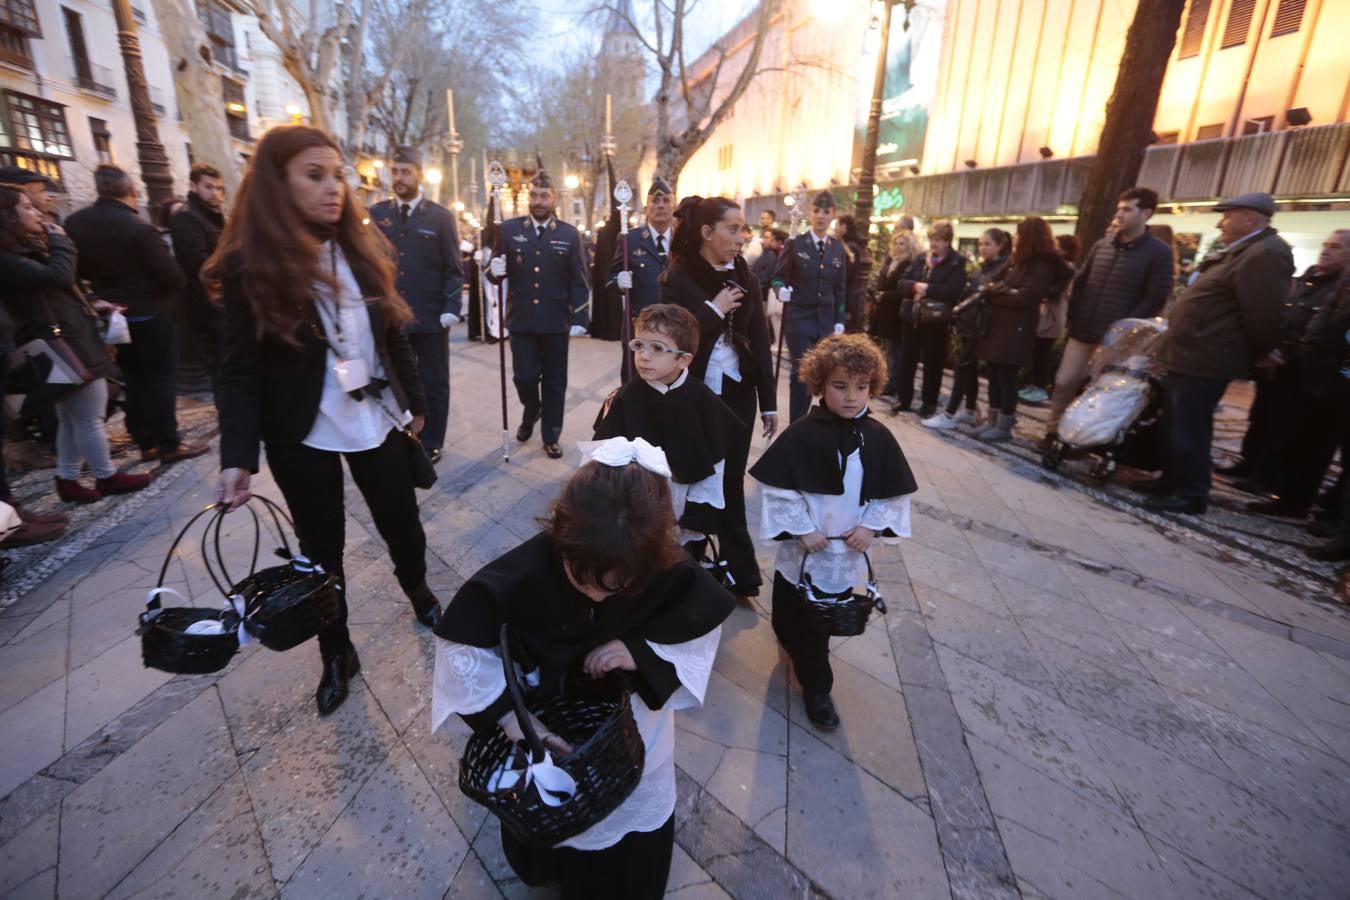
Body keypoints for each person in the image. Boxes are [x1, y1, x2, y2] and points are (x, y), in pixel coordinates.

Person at [208, 126, 440, 716]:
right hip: (300, 430)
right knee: (321, 553)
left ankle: (420, 593)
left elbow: (394, 332)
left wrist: (416, 401)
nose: (334, 188)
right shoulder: (249, 266)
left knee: (402, 525)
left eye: (338, 175)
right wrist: (237, 456)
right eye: (315, 176)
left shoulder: (361, 248)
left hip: (375, 418)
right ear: (276, 186)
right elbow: (237, 367)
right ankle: (337, 651)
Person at [430, 450, 734, 899]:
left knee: (631, 843)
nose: (594, 594)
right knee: (563, 831)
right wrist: (518, 723)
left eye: (614, 587)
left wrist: (639, 652)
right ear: (562, 536)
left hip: (632, 730)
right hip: (549, 727)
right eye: (582, 577)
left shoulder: (664, 569)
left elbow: (695, 631)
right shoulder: (529, 571)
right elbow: (464, 649)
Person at [749, 334, 916, 730]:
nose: (852, 397)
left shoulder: (877, 437)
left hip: (844, 550)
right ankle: (790, 640)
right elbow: (780, 486)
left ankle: (817, 687)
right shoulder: (803, 433)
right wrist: (804, 529)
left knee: (818, 626)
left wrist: (870, 527)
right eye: (841, 386)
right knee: (789, 610)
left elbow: (892, 491)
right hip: (805, 547)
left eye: (861, 388)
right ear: (820, 385)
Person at [1143, 192, 1294, 515]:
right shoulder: (1245, 250)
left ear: (1250, 218)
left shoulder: (1265, 253)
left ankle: (1191, 493)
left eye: (1228, 216)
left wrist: (1264, 350)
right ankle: (1171, 479)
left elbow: (1263, 312)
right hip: (1191, 352)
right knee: (1174, 422)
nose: (1220, 222)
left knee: (1191, 427)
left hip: (1208, 355)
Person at [0, 186, 151, 505]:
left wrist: (92, 303)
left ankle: (67, 478)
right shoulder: (8, 258)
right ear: (8, 217)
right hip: (62, 341)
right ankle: (106, 475)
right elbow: (58, 276)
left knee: (73, 417)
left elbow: (54, 290)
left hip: (67, 335)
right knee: (89, 415)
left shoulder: (23, 252)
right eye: (27, 207)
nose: (37, 212)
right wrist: (61, 241)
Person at [659, 195, 776, 600]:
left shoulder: (747, 275)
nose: (742, 237)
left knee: (730, 480)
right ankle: (686, 565)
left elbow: (760, 339)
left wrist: (770, 400)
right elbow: (670, 341)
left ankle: (739, 572)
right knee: (692, 479)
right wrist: (712, 309)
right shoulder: (677, 277)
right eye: (733, 228)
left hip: (738, 392)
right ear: (707, 233)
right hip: (692, 392)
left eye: (743, 229)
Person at [64, 165, 208, 465]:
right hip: (151, 313)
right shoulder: (138, 227)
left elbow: (73, 272)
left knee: (134, 378)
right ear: (132, 192)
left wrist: (97, 297)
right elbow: (173, 276)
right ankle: (168, 443)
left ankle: (145, 442)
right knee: (160, 378)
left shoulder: (76, 223)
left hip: (111, 315)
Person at [593, 304, 740, 547]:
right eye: (639, 345)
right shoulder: (623, 399)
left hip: (682, 509)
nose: (644, 355)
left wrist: (697, 514)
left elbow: (715, 463)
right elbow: (602, 460)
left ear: (683, 359)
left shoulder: (702, 400)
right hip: (631, 514)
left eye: (657, 348)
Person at [1040, 188, 1173, 450]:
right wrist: (1075, 316)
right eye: (1118, 209)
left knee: (1099, 391)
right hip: (1083, 329)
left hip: (1117, 341)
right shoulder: (1102, 246)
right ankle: (1054, 432)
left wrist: (1126, 334)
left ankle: (1086, 440)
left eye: (1127, 209)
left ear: (1146, 214)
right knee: (1064, 382)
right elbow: (1081, 282)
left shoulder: (1159, 253)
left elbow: (1155, 297)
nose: (1119, 214)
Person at [1220, 229, 1348, 493]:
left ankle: (1268, 477)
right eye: (1325, 244)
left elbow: (1323, 327)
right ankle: (1250, 463)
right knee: (1261, 416)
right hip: (1277, 360)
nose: (1326, 250)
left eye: (1335, 247)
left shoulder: (1337, 287)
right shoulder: (1308, 279)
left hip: (1302, 366)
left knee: (1284, 425)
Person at [368, 146, 465, 464]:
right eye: (394, 171)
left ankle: (432, 439)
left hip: (430, 316)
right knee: (394, 379)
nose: (399, 177)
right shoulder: (377, 215)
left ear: (418, 175)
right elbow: (366, 263)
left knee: (434, 382)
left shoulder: (439, 217)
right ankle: (400, 434)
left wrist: (452, 306)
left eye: (405, 171)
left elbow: (453, 269)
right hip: (390, 318)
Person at [487, 171, 590, 459]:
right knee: (524, 377)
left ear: (554, 198)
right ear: (527, 198)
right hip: (521, 320)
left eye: (544, 195)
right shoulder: (507, 230)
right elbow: (493, 269)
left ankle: (551, 435)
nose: (538, 201)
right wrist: (492, 271)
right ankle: (532, 408)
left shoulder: (569, 234)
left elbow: (580, 281)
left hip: (556, 321)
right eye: (533, 195)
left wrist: (581, 318)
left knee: (555, 382)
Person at [1247, 264, 1350, 519]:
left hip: (1339, 369)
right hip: (1319, 363)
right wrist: (1312, 346)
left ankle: (1335, 515)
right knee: (1304, 437)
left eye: (1336, 247)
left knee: (1325, 442)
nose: (1327, 251)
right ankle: (1293, 498)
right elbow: (1329, 311)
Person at [976, 217, 1073, 443]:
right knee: (994, 372)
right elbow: (992, 283)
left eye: (1020, 234)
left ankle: (1004, 424)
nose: (1016, 238)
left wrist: (997, 295)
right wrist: (1001, 292)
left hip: (1017, 328)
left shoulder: (1041, 266)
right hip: (1000, 325)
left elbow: (1025, 297)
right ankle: (993, 420)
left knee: (1006, 374)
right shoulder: (1017, 261)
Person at [922, 227, 1011, 430]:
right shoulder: (984, 267)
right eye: (980, 243)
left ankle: (950, 413)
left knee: (963, 366)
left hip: (984, 327)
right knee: (968, 368)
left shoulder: (1002, 269)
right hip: (971, 324)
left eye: (987, 244)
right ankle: (970, 410)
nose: (982, 248)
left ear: (999, 246)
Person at [773, 190, 847, 421]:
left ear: (833, 215)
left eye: (826, 212)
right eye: (816, 211)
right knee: (802, 372)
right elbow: (778, 277)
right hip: (799, 319)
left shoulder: (837, 248)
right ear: (810, 213)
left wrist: (839, 320)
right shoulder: (796, 243)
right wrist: (780, 290)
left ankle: (821, 422)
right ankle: (796, 425)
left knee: (825, 372)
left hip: (824, 321)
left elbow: (840, 288)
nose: (821, 216)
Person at [894, 221, 966, 417]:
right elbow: (901, 283)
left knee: (933, 363)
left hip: (936, 320)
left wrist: (929, 290)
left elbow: (955, 290)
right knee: (907, 358)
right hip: (913, 316)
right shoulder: (920, 259)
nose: (934, 244)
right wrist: (915, 287)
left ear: (947, 241)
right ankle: (904, 399)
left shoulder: (955, 262)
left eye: (939, 240)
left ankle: (929, 403)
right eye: (932, 239)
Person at [169, 164, 228, 399]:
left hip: (221, 303)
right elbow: (201, 264)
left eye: (220, 188)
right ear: (193, 186)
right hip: (208, 306)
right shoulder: (187, 218)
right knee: (221, 368)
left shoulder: (214, 217)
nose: (215, 193)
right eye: (209, 187)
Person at [611, 178, 674, 382]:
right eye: (655, 202)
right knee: (634, 383)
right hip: (638, 325)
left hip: (675, 326)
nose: (661, 206)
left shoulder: (684, 239)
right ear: (647, 208)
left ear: (673, 205)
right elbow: (609, 278)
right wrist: (618, 281)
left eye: (665, 200)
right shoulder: (630, 238)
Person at [1021, 233, 1081, 405]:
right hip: (1046, 315)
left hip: (1052, 317)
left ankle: (1040, 387)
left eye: (1056, 244)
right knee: (1035, 353)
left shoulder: (1067, 269)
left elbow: (1058, 293)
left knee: (1042, 354)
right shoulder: (1056, 267)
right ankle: (1033, 385)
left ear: (1064, 249)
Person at [874, 228, 923, 404]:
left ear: (910, 246)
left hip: (897, 313)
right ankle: (888, 381)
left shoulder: (908, 264)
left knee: (895, 352)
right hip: (885, 312)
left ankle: (893, 384)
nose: (898, 246)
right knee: (888, 350)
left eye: (902, 243)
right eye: (896, 243)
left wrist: (884, 295)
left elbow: (901, 290)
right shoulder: (892, 262)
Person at [836, 214, 873, 333]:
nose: (835, 228)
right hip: (853, 298)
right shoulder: (855, 246)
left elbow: (847, 276)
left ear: (844, 226)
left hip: (850, 299)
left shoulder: (850, 247)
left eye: (837, 224)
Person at [753, 227, 787, 343]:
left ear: (777, 242)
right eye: (765, 237)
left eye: (769, 238)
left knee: (773, 320)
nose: (765, 240)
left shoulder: (772, 256)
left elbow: (767, 277)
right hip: (762, 292)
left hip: (764, 293)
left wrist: (756, 289)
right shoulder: (767, 254)